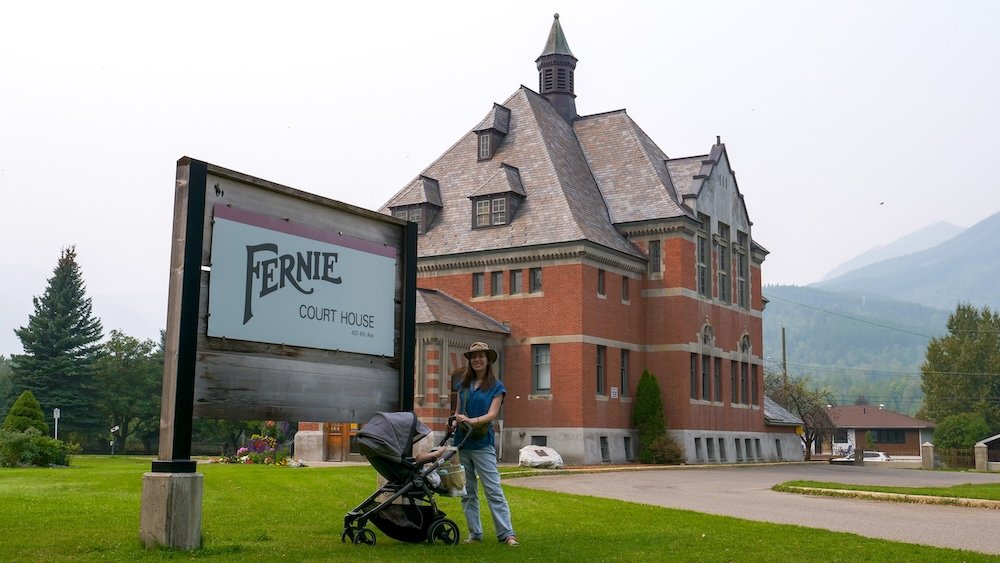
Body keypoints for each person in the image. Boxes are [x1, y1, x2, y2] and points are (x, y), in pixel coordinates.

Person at [452, 342, 519, 546]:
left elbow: (492, 414)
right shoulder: (462, 385)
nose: (477, 360)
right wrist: (455, 421)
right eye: (473, 357)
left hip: (482, 444)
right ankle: (475, 534)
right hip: (462, 443)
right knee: (468, 492)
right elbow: (457, 412)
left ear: (488, 360)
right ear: (470, 361)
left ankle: (507, 534)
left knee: (493, 490)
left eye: (481, 356)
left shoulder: (497, 387)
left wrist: (472, 421)